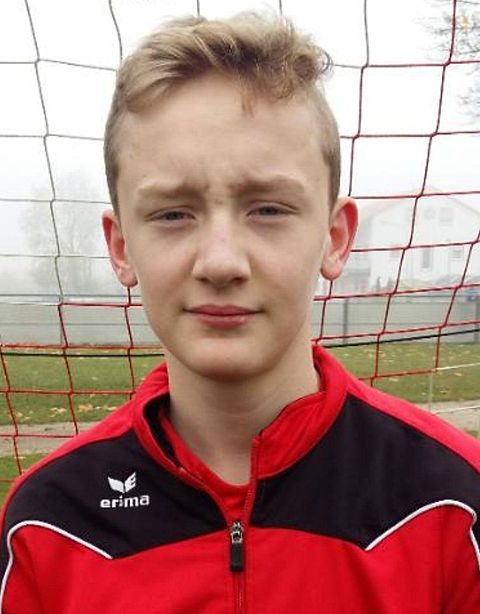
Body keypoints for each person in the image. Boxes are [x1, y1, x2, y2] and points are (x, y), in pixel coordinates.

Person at [0, 12, 479, 613]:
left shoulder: (452, 503)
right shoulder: (48, 524)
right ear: (121, 247)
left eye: (268, 209)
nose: (221, 262)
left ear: (335, 238)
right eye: (173, 214)